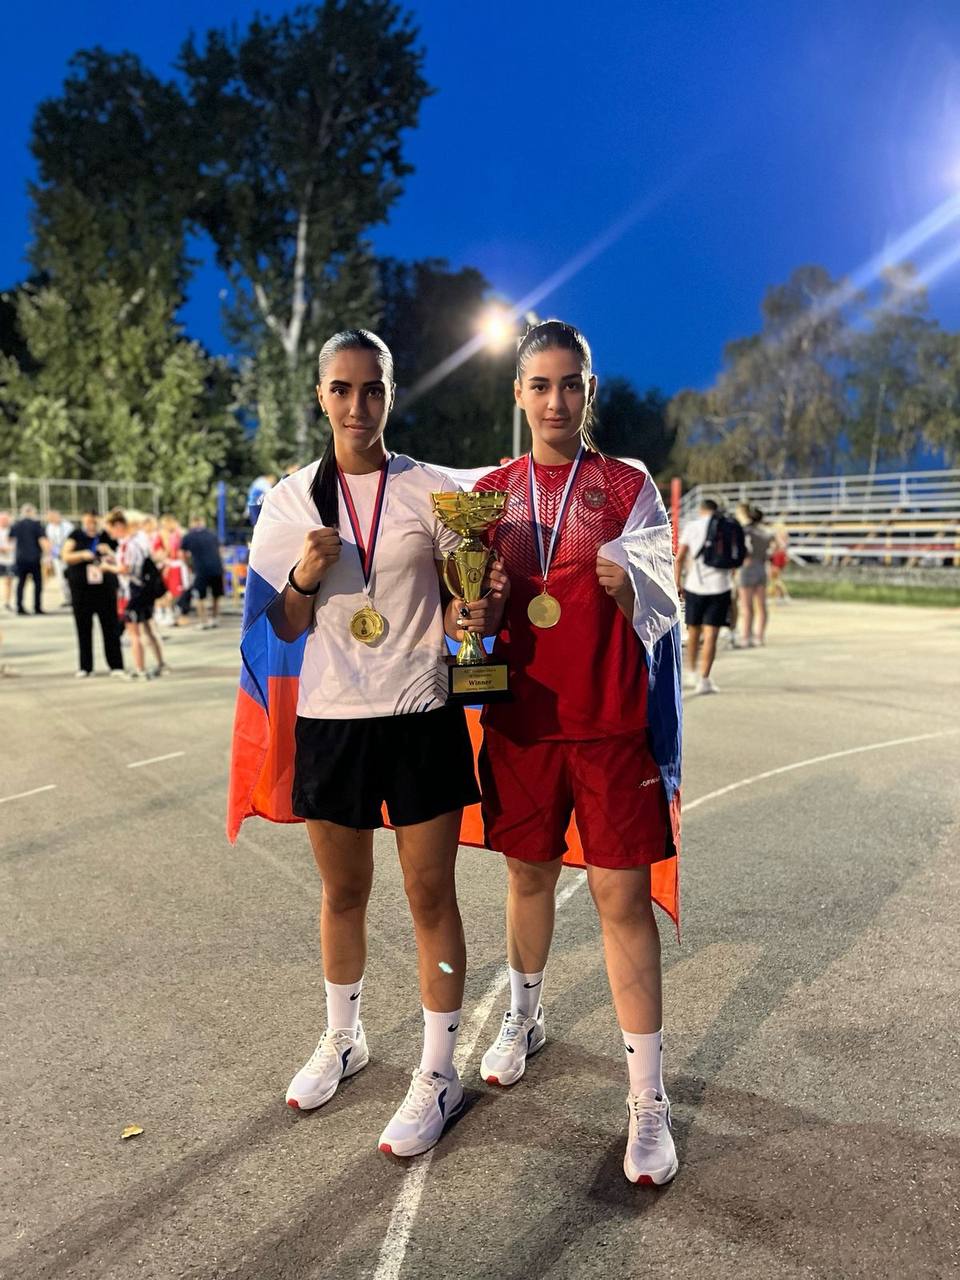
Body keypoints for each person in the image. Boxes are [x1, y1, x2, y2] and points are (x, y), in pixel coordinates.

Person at [250, 328, 500, 1160]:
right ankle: (344, 1037)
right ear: (320, 395)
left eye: (373, 389)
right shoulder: (291, 501)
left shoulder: (432, 490)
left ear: (391, 395)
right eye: (342, 389)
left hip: (421, 714)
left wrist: (473, 613)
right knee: (343, 893)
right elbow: (284, 626)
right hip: (331, 721)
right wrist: (303, 577)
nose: (358, 405)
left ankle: (438, 1071)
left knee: (431, 897)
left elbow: (468, 604)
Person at [471, 319, 681, 1187]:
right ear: (519, 393)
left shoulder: (628, 485)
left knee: (619, 897)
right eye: (541, 385)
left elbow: (665, 608)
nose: (556, 401)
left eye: (571, 384)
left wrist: (633, 587)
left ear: (589, 391)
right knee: (526, 877)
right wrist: (475, 615)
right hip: (522, 724)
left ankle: (647, 1098)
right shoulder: (489, 494)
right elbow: (471, 621)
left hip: (609, 725)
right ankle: (524, 1017)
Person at [675, 498, 733, 694]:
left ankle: (691, 672)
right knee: (711, 635)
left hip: (695, 586)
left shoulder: (692, 527)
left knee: (693, 631)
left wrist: (677, 582)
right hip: (720, 586)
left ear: (701, 510)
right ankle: (704, 679)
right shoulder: (728, 528)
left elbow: (680, 557)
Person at [61, 511, 125, 677]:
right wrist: (82, 555)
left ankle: (116, 664)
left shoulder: (107, 537)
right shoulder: (75, 535)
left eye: (94, 522)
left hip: (105, 587)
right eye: (88, 522)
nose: (91, 525)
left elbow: (121, 558)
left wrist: (109, 552)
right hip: (81, 588)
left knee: (110, 626)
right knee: (83, 627)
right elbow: (65, 555)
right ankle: (86, 666)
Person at [108, 511, 167, 679]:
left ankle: (140, 668)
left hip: (132, 591)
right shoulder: (141, 540)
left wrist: (107, 567)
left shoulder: (128, 544)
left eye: (111, 528)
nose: (110, 533)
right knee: (148, 628)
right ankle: (160, 663)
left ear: (120, 526)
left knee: (134, 632)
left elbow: (125, 569)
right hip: (144, 589)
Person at [738, 505, 773, 646]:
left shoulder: (745, 531)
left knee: (746, 607)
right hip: (761, 567)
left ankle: (746, 636)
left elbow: (742, 549)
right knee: (762, 605)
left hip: (747, 568)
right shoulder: (766, 532)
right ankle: (759, 636)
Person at [180, 516, 224, 629]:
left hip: (200, 569)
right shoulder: (212, 534)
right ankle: (214, 618)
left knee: (200, 597)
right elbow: (220, 551)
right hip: (216, 568)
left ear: (192, 523)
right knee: (216, 595)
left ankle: (203, 621)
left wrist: (188, 566)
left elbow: (182, 554)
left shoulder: (188, 536)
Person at [10, 504, 49, 615]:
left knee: (21, 583)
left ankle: (19, 607)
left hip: (20, 558)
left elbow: (11, 540)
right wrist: (47, 555)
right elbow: (43, 541)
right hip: (34, 558)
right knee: (37, 583)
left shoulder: (16, 525)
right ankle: (37, 607)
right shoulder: (37, 525)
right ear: (32, 512)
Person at [44, 509, 73, 608]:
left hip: (68, 554)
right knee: (61, 579)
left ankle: (74, 597)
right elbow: (50, 543)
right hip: (56, 556)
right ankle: (67, 598)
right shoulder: (49, 527)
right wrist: (49, 556)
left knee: (70, 577)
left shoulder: (68, 526)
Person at [770, 522, 791, 601]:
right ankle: (778, 595)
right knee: (776, 577)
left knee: (775, 577)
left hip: (778, 555)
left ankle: (784, 595)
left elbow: (775, 546)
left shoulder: (777, 535)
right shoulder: (785, 535)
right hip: (782, 555)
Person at [0, 511, 13, 612]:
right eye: (2, 519)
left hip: (9, 561)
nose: (4, 521)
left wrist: (9, 549)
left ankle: (7, 602)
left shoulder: (12, 531)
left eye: (6, 519)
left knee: (8, 582)